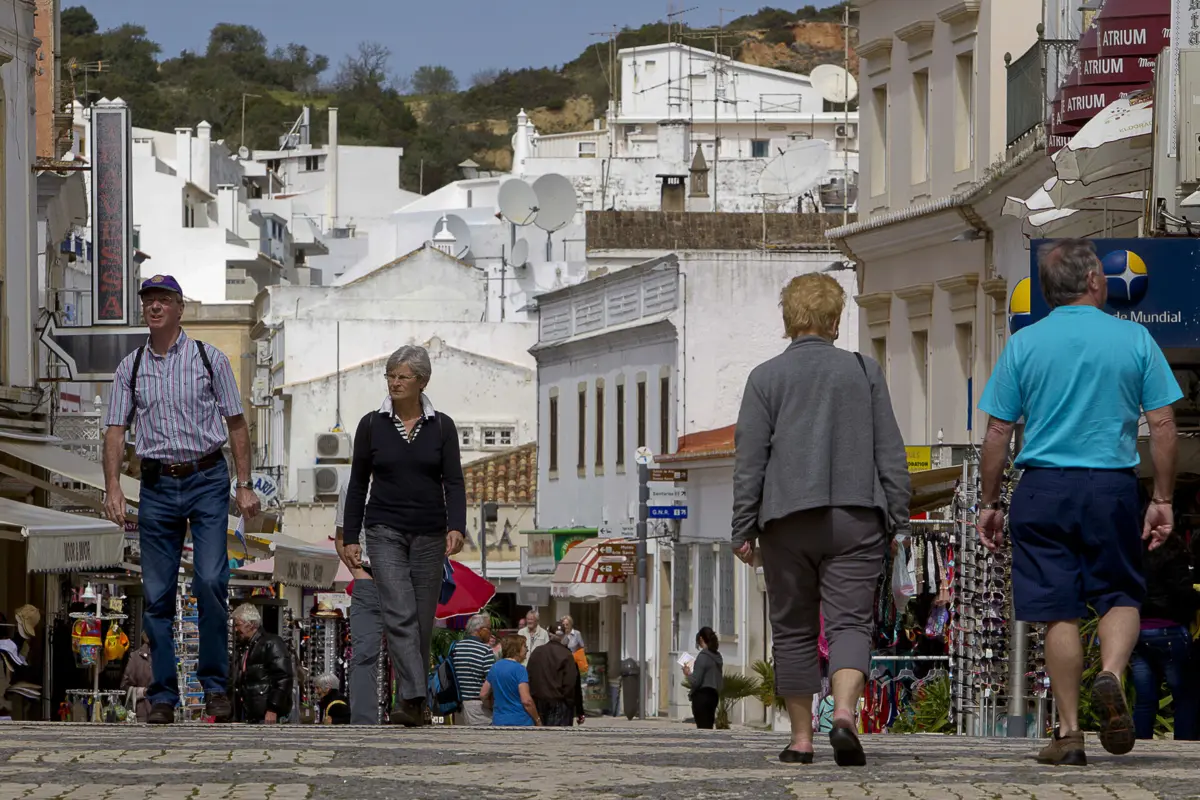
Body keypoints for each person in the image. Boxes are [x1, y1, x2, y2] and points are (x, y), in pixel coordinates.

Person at [978, 239, 1181, 766]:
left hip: (1043, 487)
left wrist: (989, 501)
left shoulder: (1024, 344)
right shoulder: (1135, 338)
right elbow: (1161, 424)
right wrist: (1162, 497)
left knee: (1057, 610)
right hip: (1111, 484)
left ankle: (1069, 735)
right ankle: (1111, 672)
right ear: (1095, 281)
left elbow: (998, 430)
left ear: (1047, 293)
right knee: (1119, 593)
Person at [732, 273, 910, 767]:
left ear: (788, 320)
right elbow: (889, 452)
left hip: (786, 520)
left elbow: (750, 460)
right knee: (852, 622)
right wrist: (898, 519)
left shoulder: (764, 378)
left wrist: (742, 528)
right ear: (835, 320)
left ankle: (802, 739)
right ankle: (847, 715)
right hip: (857, 518)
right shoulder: (864, 371)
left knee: (792, 628)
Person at [102, 275, 260, 725]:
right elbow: (115, 430)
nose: (154, 307)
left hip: (207, 476)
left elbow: (236, 422)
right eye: (148, 301)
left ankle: (214, 689)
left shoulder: (210, 360)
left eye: (163, 301)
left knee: (210, 580)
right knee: (156, 594)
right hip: (155, 483)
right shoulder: (129, 368)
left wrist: (244, 483)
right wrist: (113, 487)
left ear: (179, 308)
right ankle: (165, 693)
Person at [341, 345, 467, 728]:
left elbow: (454, 481)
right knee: (399, 610)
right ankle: (415, 694)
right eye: (390, 375)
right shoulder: (371, 424)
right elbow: (358, 481)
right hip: (383, 529)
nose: (394, 383)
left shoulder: (442, 426)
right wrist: (350, 534)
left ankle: (411, 704)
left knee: (422, 621)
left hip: (429, 532)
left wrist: (456, 525)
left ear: (422, 382)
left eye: (402, 377)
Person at [1129, 532, 1199, 741]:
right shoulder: (1174, 556)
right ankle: (1183, 745)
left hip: (1139, 631)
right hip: (1170, 630)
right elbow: (1182, 592)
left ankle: (1141, 743)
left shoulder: (1134, 556)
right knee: (1184, 696)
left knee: (1144, 698)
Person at [334, 482, 384, 724]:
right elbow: (341, 537)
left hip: (404, 579)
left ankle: (412, 711)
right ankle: (363, 722)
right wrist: (358, 574)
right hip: (367, 577)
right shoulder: (350, 484)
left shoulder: (414, 475)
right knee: (364, 654)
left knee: (410, 651)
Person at [231, 603, 293, 724]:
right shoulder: (245, 647)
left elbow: (283, 678)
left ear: (251, 625)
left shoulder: (271, 643)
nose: (236, 629)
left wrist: (273, 708)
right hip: (250, 711)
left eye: (238, 625)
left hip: (264, 713)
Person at [526, 628, 584, 727]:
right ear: (564, 637)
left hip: (538, 701)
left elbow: (529, 675)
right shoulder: (566, 654)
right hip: (559, 702)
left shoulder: (537, 652)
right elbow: (571, 683)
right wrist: (576, 708)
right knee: (558, 738)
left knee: (539, 736)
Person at [481, 635, 541, 727]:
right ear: (516, 649)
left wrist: (494, 707)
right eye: (524, 646)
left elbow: (483, 694)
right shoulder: (520, 669)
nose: (527, 650)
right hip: (521, 721)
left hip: (499, 720)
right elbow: (526, 701)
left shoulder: (495, 667)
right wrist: (537, 719)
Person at [451, 614, 497, 726]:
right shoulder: (485, 650)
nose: (491, 633)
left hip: (459, 706)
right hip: (479, 707)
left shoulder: (456, 647)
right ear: (480, 630)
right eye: (489, 629)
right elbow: (492, 680)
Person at [683, 627, 723, 730]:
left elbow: (696, 681)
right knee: (709, 725)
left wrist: (688, 673)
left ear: (701, 639)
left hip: (702, 696)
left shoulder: (703, 657)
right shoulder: (717, 656)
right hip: (713, 695)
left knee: (702, 727)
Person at [119, 633, 153, 723]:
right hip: (141, 716)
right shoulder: (136, 657)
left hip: (163, 715)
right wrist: (143, 692)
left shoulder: (166, 657)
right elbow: (124, 687)